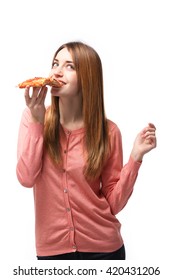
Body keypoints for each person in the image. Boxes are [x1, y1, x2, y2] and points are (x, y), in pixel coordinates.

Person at [16, 41, 156, 260]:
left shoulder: (108, 131)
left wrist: (135, 157)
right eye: (55, 63)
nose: (57, 72)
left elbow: (114, 203)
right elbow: (26, 177)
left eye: (70, 66)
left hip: (105, 250)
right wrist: (37, 123)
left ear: (88, 77)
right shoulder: (33, 117)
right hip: (52, 252)